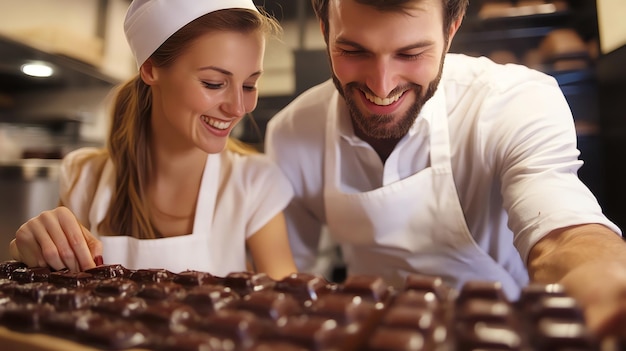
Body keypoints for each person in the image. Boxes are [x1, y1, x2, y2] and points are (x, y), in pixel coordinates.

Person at [265, 0, 626, 337]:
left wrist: (604, 282)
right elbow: (294, 276)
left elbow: (563, 234)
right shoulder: (293, 133)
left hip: (507, 335)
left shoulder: (512, 101)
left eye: (411, 53)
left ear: (451, 30)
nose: (382, 84)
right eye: (354, 51)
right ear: (325, 29)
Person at [9, 0, 297, 281]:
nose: (237, 108)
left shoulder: (254, 183)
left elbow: (289, 303)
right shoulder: (85, 178)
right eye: (213, 83)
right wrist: (32, 252)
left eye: (249, 85)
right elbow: (60, 289)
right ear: (150, 69)